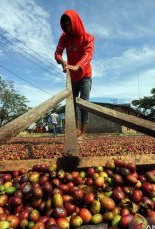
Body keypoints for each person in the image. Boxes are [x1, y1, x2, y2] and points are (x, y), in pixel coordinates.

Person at [54, 9, 94, 144]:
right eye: (65, 25)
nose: (68, 28)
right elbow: (58, 53)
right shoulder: (64, 37)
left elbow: (88, 54)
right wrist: (61, 61)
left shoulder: (88, 37)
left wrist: (78, 65)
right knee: (72, 104)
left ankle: (83, 133)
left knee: (84, 103)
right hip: (71, 75)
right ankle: (76, 131)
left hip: (85, 75)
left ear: (76, 23)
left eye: (70, 24)